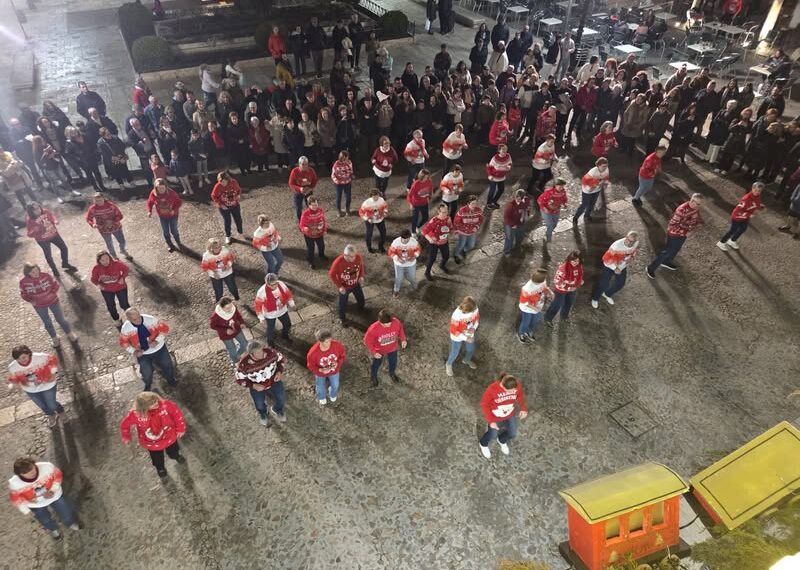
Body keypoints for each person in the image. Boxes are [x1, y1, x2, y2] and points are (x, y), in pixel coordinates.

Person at [8, 457, 80, 538]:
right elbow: (16, 499)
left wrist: (53, 490)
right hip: (35, 504)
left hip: (55, 496)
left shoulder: (47, 467)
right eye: (25, 472)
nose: (31, 473)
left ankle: (70, 523)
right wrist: (26, 510)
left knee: (66, 511)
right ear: (19, 474)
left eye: (31, 468)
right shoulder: (15, 484)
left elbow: (58, 476)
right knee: (45, 519)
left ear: (34, 464)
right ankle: (53, 529)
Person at [120, 392, 186, 478]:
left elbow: (177, 414)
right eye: (152, 404)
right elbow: (124, 425)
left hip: (169, 436)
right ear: (143, 407)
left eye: (156, 400)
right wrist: (126, 436)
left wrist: (181, 428)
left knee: (173, 449)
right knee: (157, 457)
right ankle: (160, 467)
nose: (156, 403)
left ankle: (175, 455)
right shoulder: (136, 415)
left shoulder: (166, 405)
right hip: (152, 443)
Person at [646, 194, 704, 278]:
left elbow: (696, 216)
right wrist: (685, 231)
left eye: (699, 204)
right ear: (692, 200)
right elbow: (673, 224)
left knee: (676, 249)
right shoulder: (681, 210)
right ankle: (651, 268)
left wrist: (699, 222)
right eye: (696, 203)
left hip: (684, 234)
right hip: (675, 234)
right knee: (667, 251)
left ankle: (666, 262)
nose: (698, 205)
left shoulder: (695, 208)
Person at [19, 263, 77, 347]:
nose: (36, 273)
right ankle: (54, 338)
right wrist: (31, 300)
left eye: (36, 270)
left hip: (53, 301)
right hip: (39, 305)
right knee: (47, 322)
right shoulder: (23, 282)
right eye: (32, 272)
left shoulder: (46, 275)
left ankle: (69, 333)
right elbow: (23, 294)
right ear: (27, 273)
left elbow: (55, 284)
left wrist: (52, 293)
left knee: (61, 319)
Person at [119, 308, 174, 391]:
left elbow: (165, 329)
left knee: (167, 365)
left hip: (159, 348)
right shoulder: (126, 328)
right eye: (134, 319)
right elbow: (124, 343)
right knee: (146, 373)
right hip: (143, 354)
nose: (138, 320)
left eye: (138, 317)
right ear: (129, 319)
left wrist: (157, 341)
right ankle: (148, 385)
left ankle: (171, 380)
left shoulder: (151, 319)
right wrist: (134, 351)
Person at [7, 346, 64, 427]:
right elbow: (14, 378)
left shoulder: (40, 357)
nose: (21, 361)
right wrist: (14, 384)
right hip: (31, 390)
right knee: (42, 405)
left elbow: (53, 360)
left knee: (51, 404)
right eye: (18, 359)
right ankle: (51, 415)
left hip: (48, 385)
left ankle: (60, 411)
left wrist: (53, 374)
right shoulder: (12, 367)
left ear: (29, 354)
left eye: (24, 357)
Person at [235, 340, 286, 426]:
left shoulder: (271, 352)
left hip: (273, 381)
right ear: (251, 354)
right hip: (257, 386)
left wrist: (279, 371)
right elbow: (239, 379)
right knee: (259, 404)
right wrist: (253, 385)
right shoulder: (244, 364)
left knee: (281, 397)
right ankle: (263, 413)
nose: (262, 354)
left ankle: (277, 409)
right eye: (257, 353)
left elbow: (281, 360)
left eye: (261, 350)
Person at [479, 373, 528, 459]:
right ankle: (483, 443)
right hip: (495, 416)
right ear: (502, 384)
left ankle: (501, 440)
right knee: (492, 435)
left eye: (513, 391)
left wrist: (523, 408)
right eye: (508, 391)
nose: (511, 393)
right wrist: (491, 421)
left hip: (509, 414)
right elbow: (484, 404)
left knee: (512, 434)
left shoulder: (516, 385)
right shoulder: (492, 389)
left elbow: (520, 395)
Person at [591, 231, 639, 309]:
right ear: (626, 237)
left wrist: (631, 258)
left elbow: (633, 253)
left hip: (622, 267)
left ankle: (607, 294)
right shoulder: (616, 246)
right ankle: (595, 298)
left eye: (632, 241)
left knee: (620, 284)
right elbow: (605, 258)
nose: (629, 242)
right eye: (628, 239)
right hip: (609, 266)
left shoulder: (635, 244)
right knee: (603, 284)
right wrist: (615, 268)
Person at [25, 203, 77, 275]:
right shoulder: (30, 220)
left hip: (54, 234)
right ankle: (54, 270)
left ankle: (65, 263)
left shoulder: (45, 211)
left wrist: (55, 221)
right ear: (31, 212)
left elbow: (52, 216)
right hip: (43, 240)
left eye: (38, 208)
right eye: (35, 210)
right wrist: (35, 230)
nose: (38, 210)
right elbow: (29, 234)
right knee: (48, 256)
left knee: (64, 248)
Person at [716, 182, 765, 252]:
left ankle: (732, 241)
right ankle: (721, 243)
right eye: (756, 190)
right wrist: (748, 215)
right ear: (752, 188)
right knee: (732, 230)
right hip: (737, 217)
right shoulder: (746, 199)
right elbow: (739, 211)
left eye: (759, 191)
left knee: (743, 229)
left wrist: (760, 207)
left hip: (745, 217)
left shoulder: (757, 196)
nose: (757, 192)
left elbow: (756, 203)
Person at [364, 309, 407, 386]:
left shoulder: (396, 322)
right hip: (379, 351)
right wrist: (374, 352)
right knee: (376, 364)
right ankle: (373, 377)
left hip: (392, 348)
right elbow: (367, 341)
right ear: (379, 321)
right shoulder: (373, 329)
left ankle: (392, 373)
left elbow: (400, 330)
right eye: (385, 324)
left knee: (393, 362)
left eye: (390, 322)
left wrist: (403, 339)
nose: (388, 325)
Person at [306, 329, 346, 405]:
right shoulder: (312, 353)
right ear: (320, 341)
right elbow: (310, 365)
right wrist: (320, 370)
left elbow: (342, 355)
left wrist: (338, 363)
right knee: (320, 385)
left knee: (335, 385)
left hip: (334, 371)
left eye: (330, 340)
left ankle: (332, 393)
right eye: (327, 342)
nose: (330, 343)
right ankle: (321, 397)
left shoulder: (337, 345)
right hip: (320, 374)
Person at [544, 250, 584, 326]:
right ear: (569, 259)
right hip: (561, 290)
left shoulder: (579, 267)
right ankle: (548, 318)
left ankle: (564, 316)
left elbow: (579, 276)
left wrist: (578, 284)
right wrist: (569, 288)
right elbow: (557, 281)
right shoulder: (563, 268)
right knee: (556, 305)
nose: (575, 263)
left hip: (573, 288)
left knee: (569, 303)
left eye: (577, 261)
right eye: (573, 260)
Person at [85, 193, 130, 260]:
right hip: (103, 229)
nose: (99, 202)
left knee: (122, 241)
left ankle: (123, 250)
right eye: (96, 201)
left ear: (103, 198)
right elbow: (88, 218)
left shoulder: (111, 205)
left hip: (116, 227)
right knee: (109, 244)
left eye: (100, 200)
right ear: (94, 201)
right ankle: (114, 256)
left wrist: (113, 221)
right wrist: (92, 224)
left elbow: (120, 215)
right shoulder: (92, 209)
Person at [329, 244, 366, 325]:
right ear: (345, 255)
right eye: (352, 257)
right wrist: (340, 287)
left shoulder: (358, 257)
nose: (354, 258)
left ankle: (361, 308)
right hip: (344, 287)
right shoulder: (338, 262)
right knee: (342, 303)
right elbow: (331, 274)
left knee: (361, 299)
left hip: (356, 284)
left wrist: (361, 276)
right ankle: (342, 318)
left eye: (355, 255)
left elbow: (361, 266)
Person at [91, 251, 130, 326]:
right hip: (107, 290)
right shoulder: (96, 268)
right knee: (111, 306)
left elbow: (126, 269)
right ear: (99, 261)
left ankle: (131, 317)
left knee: (124, 304)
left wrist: (122, 278)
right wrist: (98, 284)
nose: (106, 261)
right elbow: (93, 279)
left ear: (110, 258)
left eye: (107, 259)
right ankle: (116, 319)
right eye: (102, 260)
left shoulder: (116, 263)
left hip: (120, 287)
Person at [254, 273, 295, 345]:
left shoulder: (281, 284)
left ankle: (285, 335)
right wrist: (261, 318)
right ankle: (270, 343)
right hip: (269, 315)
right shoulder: (261, 292)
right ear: (267, 284)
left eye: (276, 283)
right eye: (272, 285)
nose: (275, 286)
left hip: (282, 310)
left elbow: (288, 293)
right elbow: (258, 305)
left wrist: (291, 303)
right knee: (270, 330)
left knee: (287, 324)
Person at [517, 268, 553, 343]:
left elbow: (544, 288)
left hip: (538, 306)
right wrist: (535, 308)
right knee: (526, 322)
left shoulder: (543, 281)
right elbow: (524, 302)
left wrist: (549, 292)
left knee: (535, 321)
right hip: (527, 309)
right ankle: (521, 333)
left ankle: (529, 331)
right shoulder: (526, 288)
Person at [446, 296, 479, 376]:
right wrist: (466, 338)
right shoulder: (456, 315)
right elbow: (454, 331)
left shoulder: (475, 308)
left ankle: (466, 360)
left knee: (471, 349)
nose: (474, 312)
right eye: (472, 312)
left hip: (469, 332)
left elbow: (476, 319)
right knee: (455, 352)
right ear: (466, 311)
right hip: (457, 336)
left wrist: (473, 328)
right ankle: (448, 364)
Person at [146, 178, 182, 252]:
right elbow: (149, 202)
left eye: (163, 188)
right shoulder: (153, 193)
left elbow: (179, 202)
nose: (161, 190)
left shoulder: (172, 193)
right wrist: (149, 211)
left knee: (174, 230)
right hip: (162, 216)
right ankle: (169, 244)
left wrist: (174, 210)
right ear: (156, 188)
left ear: (166, 186)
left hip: (173, 216)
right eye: (159, 188)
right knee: (165, 231)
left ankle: (178, 241)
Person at [210, 296, 248, 365]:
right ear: (222, 307)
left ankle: (238, 354)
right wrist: (225, 330)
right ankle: (236, 361)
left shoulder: (233, 308)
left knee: (245, 344)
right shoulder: (216, 316)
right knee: (232, 349)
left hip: (236, 329)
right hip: (225, 335)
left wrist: (241, 322)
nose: (230, 309)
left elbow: (238, 315)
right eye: (227, 308)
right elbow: (212, 326)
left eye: (231, 306)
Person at [210, 171, 244, 245]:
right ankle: (228, 236)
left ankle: (240, 232)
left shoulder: (234, 182)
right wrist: (220, 204)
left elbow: (238, 190)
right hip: (224, 208)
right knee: (227, 221)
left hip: (235, 205)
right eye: (220, 181)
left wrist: (238, 195)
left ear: (228, 179)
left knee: (238, 219)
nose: (222, 183)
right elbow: (213, 196)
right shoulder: (218, 185)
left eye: (223, 181)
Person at [201, 238, 239, 302]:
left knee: (232, 288)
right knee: (218, 291)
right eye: (216, 248)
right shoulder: (206, 256)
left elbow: (231, 259)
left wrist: (228, 265)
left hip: (228, 273)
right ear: (210, 248)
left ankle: (237, 298)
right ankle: (219, 303)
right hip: (216, 276)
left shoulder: (224, 250)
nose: (218, 249)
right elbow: (204, 267)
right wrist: (213, 273)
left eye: (219, 246)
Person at [573, 158, 609, 223]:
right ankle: (576, 217)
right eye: (603, 166)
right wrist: (592, 187)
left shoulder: (606, 170)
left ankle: (587, 215)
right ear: (598, 165)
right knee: (584, 205)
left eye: (606, 166)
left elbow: (606, 178)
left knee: (592, 204)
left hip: (596, 190)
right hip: (587, 191)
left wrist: (605, 183)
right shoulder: (592, 172)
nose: (605, 168)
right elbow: (584, 181)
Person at [421, 204, 452, 280]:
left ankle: (442, 265)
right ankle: (427, 272)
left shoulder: (448, 218)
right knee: (432, 259)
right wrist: (429, 239)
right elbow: (424, 231)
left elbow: (450, 227)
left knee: (446, 256)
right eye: (443, 212)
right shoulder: (434, 221)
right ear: (438, 211)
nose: (446, 214)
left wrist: (450, 231)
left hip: (444, 241)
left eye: (447, 211)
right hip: (434, 243)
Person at [388, 229, 420, 297]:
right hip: (399, 264)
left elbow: (418, 249)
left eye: (408, 238)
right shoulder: (396, 242)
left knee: (412, 276)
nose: (406, 240)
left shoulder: (413, 241)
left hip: (411, 263)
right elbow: (390, 252)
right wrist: (397, 258)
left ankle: (415, 286)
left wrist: (414, 256)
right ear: (401, 237)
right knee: (398, 278)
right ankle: (396, 290)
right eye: (404, 239)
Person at [298, 196, 328, 269]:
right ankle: (310, 261)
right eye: (313, 205)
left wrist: (324, 230)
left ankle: (321, 255)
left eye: (316, 204)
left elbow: (324, 221)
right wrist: (304, 228)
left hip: (319, 234)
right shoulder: (305, 213)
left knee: (321, 246)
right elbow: (301, 225)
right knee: (310, 249)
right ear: (309, 205)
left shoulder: (320, 210)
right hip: (309, 235)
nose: (315, 207)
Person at [453, 195, 484, 263]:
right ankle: (456, 255)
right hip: (462, 232)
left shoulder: (479, 210)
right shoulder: (462, 211)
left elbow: (480, 220)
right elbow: (456, 222)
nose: (474, 205)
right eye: (472, 203)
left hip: (472, 232)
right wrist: (456, 232)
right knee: (461, 245)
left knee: (471, 245)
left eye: (475, 203)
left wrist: (476, 227)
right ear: (468, 203)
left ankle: (464, 250)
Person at [359, 188, 388, 253]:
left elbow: (385, 206)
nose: (376, 198)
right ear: (371, 196)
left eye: (377, 196)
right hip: (370, 220)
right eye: (374, 196)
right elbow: (361, 212)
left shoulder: (381, 200)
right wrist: (367, 218)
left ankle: (381, 246)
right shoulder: (366, 203)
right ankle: (369, 247)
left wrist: (385, 212)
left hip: (380, 219)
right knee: (369, 234)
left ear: (379, 195)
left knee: (383, 233)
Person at [288, 156, 317, 220]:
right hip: (298, 191)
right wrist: (299, 189)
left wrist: (311, 187)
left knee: (311, 206)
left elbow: (314, 180)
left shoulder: (311, 170)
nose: (304, 166)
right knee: (298, 208)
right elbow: (291, 183)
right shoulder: (294, 171)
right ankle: (301, 221)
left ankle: (312, 219)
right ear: (299, 164)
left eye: (306, 164)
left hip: (308, 190)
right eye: (302, 164)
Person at [503, 189, 531, 255]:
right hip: (511, 224)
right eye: (517, 197)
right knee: (509, 238)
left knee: (520, 236)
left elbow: (527, 207)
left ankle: (517, 247)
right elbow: (506, 217)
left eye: (520, 198)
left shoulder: (525, 201)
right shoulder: (511, 205)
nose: (518, 199)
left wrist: (527, 211)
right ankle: (507, 251)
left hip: (521, 223)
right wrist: (513, 224)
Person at [486, 143, 512, 209]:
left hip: (502, 177)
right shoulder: (495, 158)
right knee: (492, 191)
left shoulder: (508, 156)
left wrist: (509, 167)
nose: (505, 151)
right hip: (494, 178)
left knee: (501, 190)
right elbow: (489, 167)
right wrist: (490, 175)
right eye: (503, 150)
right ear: (499, 150)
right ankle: (489, 203)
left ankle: (494, 201)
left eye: (506, 149)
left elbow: (510, 163)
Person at [407, 168, 433, 234]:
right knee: (415, 218)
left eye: (427, 177)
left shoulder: (429, 182)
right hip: (416, 204)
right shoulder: (416, 184)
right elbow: (409, 195)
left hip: (424, 203)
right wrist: (410, 204)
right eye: (425, 177)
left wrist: (429, 197)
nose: (426, 179)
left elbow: (430, 190)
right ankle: (413, 232)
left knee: (425, 218)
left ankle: (417, 227)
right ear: (421, 176)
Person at [331, 150, 354, 216]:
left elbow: (351, 170)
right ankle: (339, 211)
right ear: (341, 157)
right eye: (345, 157)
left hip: (347, 182)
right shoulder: (336, 164)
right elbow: (333, 174)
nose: (346, 159)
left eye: (347, 157)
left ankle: (347, 209)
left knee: (348, 197)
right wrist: (337, 181)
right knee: (339, 197)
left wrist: (351, 175)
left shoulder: (349, 162)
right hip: (339, 184)